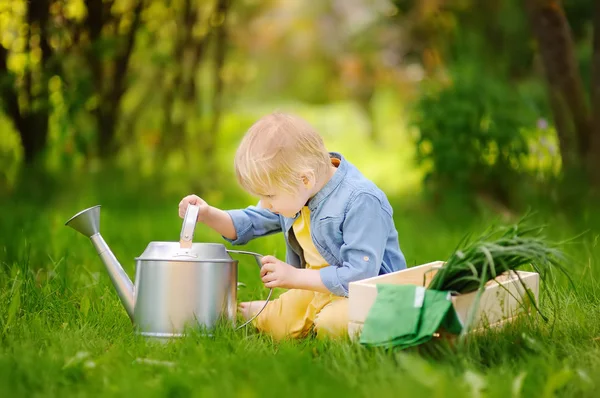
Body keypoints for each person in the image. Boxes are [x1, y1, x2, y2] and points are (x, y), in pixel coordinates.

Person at [178, 112, 406, 340]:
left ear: (304, 179)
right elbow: (250, 222)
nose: (266, 204)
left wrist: (294, 277)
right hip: (317, 291)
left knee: (332, 323)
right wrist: (207, 214)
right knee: (276, 323)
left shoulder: (361, 200)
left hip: (370, 296)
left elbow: (359, 275)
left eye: (269, 195)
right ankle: (266, 312)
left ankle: (320, 320)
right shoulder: (297, 191)